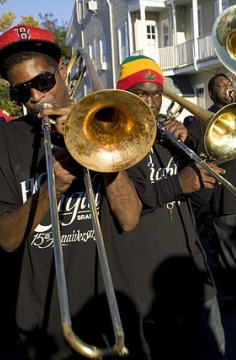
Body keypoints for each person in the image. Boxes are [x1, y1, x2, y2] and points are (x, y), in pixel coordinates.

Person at [0, 24, 146, 359]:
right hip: (42, 325)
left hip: (111, 314)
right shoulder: (6, 141)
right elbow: (7, 239)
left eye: (43, 82)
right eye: (21, 92)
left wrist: (97, 147)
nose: (36, 98)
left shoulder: (111, 124)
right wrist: (53, 187)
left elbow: (129, 218)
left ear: (63, 71)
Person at [115, 55, 226, 359]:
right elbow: (130, 206)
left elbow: (197, 200)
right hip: (149, 286)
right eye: (141, 93)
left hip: (194, 274)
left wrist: (196, 160)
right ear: (124, 94)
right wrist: (178, 183)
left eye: (156, 94)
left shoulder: (167, 137)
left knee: (214, 352)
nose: (151, 103)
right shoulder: (113, 141)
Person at [185, 73, 236, 309]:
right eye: (221, 86)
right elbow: (197, 153)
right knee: (226, 248)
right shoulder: (201, 120)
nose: (228, 88)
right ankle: (232, 290)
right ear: (211, 93)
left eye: (229, 84)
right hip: (224, 193)